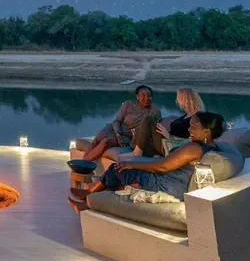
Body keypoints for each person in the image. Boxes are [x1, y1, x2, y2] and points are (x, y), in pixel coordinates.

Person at [79, 111, 226, 203]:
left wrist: (132, 164)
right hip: (174, 184)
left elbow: (162, 166)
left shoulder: (193, 148)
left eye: (193, 126)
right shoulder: (212, 147)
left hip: (167, 185)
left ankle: (88, 195)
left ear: (206, 131)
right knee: (122, 176)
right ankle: (92, 198)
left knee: (116, 168)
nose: (189, 129)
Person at [80, 85, 161, 162]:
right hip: (114, 129)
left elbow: (155, 129)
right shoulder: (128, 105)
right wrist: (118, 133)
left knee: (106, 142)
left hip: (127, 136)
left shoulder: (154, 111)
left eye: (149, 96)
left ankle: (84, 164)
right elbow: (117, 121)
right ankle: (81, 164)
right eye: (143, 95)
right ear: (137, 97)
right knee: (95, 142)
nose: (146, 98)